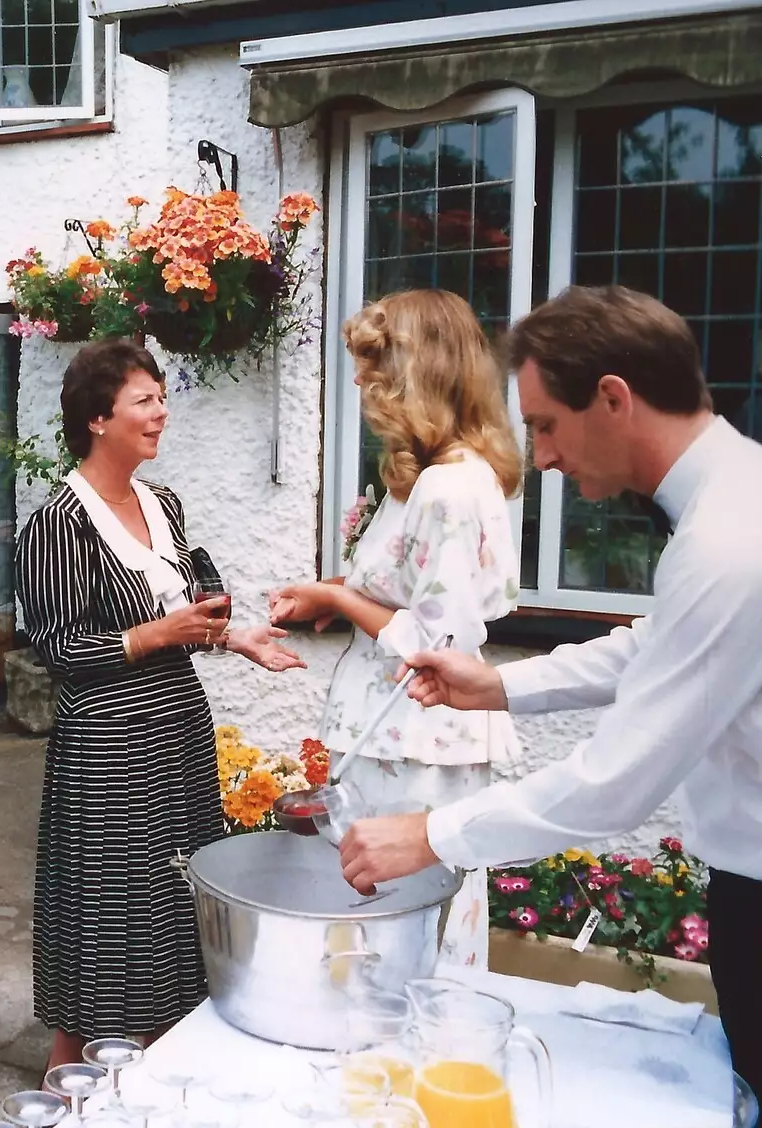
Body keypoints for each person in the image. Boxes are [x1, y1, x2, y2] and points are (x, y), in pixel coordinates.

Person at [337, 285, 762, 1124]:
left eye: (547, 424)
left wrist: (430, 834)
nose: (540, 458)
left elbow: (614, 783)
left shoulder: (737, 539)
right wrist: (501, 682)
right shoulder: (734, 503)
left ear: (615, 398)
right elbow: (658, 648)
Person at [14, 339, 305, 1073]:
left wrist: (234, 637)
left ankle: (161, 1068)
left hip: (177, 731)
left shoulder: (162, 504)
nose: (161, 413)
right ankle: (80, 1080)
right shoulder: (59, 523)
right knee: (113, 914)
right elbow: (62, 651)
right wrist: (160, 633)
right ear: (98, 418)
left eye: (162, 398)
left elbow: (185, 613)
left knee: (173, 910)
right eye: (145, 400)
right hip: (109, 747)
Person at [268, 290, 524, 967]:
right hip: (405, 740)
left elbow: (439, 649)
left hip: (414, 743)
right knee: (400, 927)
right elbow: (419, 601)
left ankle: (396, 1061)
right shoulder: (443, 474)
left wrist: (339, 598)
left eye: (371, 366)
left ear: (414, 373)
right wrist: (339, 599)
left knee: (400, 932)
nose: (357, 381)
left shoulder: (447, 489)